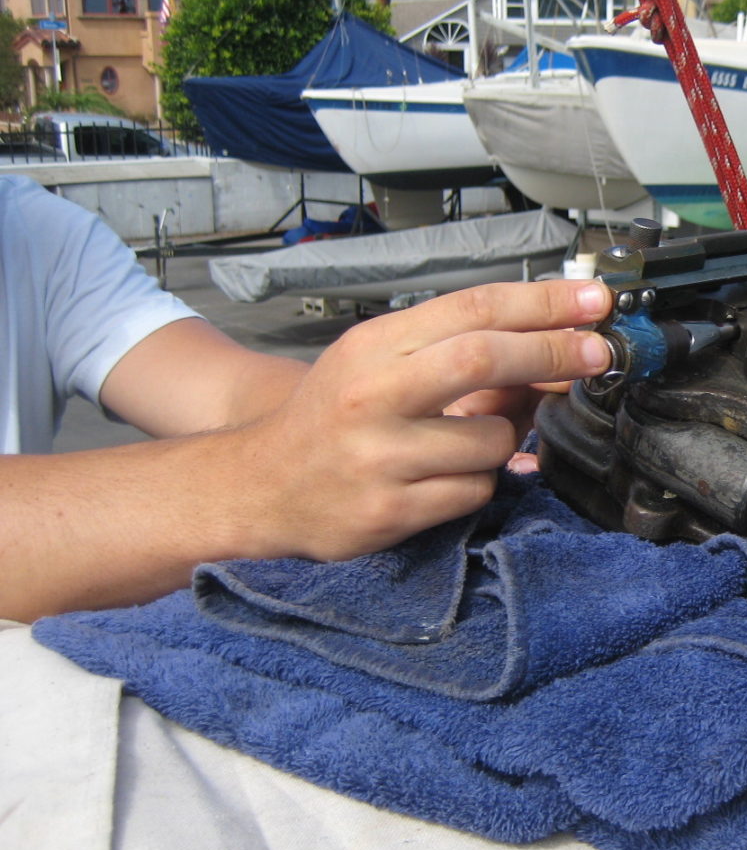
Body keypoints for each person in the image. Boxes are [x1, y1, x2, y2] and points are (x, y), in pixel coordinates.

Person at [0, 174, 612, 623]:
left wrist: (404, 423)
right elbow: (275, 459)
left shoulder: (31, 230)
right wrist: (265, 480)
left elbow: (224, 385)